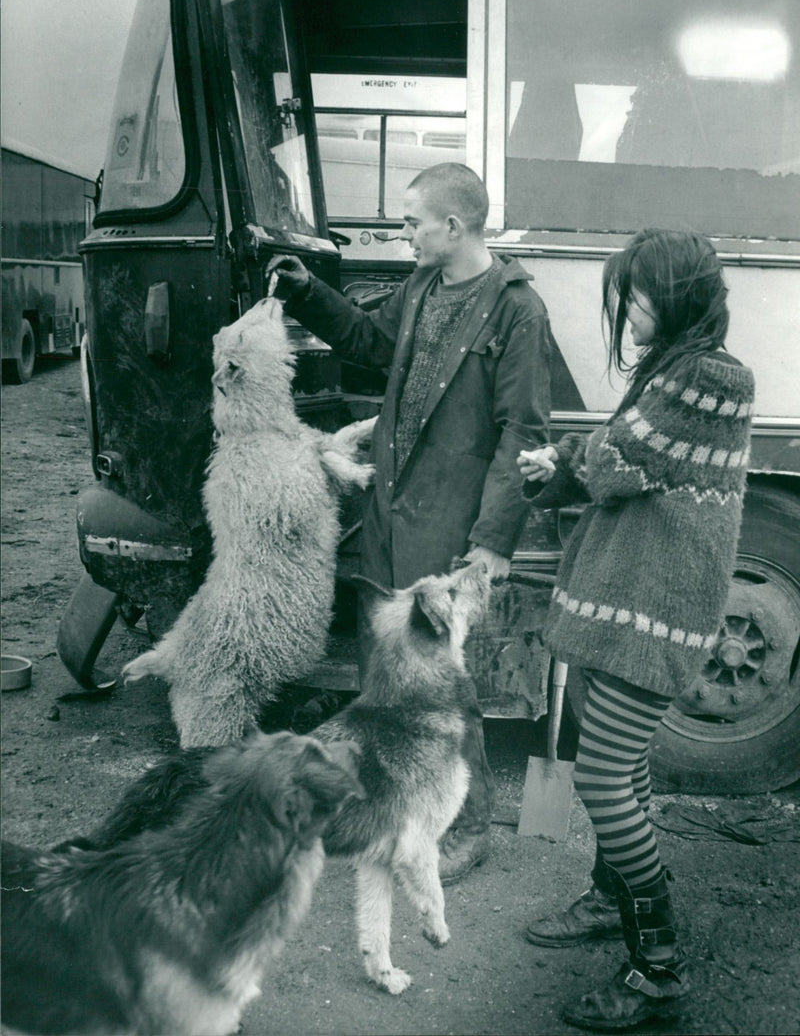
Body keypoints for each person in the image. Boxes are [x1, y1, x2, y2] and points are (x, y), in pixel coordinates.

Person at [268, 162, 552, 883]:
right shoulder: (423, 286)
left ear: (453, 226)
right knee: (382, 686)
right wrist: (308, 293)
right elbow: (366, 341)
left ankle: (469, 828)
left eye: (411, 222)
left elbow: (524, 430)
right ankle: (393, 817)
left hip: (449, 531)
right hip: (391, 520)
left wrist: (492, 542)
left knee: (442, 694)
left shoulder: (517, 308)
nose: (402, 234)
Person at [517, 228, 754, 1031]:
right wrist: (569, 464)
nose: (628, 308)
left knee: (602, 779)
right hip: (625, 600)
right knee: (622, 765)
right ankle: (608, 897)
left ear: (681, 294)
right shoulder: (676, 369)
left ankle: (659, 966)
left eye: (639, 294)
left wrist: (564, 461)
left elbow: (622, 462)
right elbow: (620, 461)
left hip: (655, 613)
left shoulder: (712, 376)